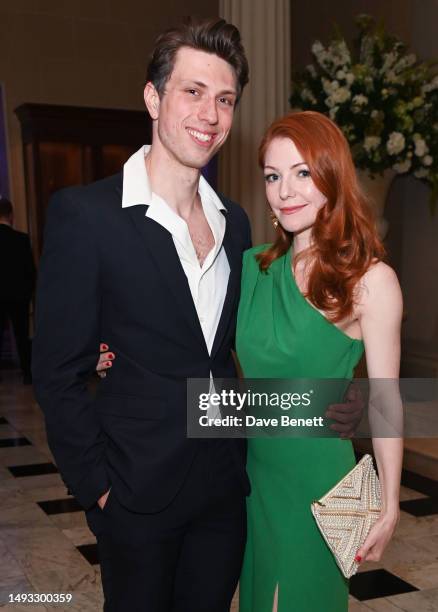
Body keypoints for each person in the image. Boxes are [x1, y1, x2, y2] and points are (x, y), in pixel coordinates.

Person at [34, 17, 362, 612]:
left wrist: (345, 407)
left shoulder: (238, 223)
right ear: (153, 97)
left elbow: (261, 349)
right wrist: (99, 489)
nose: (209, 114)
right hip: (134, 494)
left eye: (225, 99)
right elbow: (56, 370)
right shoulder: (88, 216)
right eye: (192, 92)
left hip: (225, 490)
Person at [236, 111, 403, 612]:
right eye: (272, 175)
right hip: (254, 477)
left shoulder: (371, 281)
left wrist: (390, 504)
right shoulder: (253, 267)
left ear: (332, 176)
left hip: (321, 483)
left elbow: (386, 398)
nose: (285, 190)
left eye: (302, 173)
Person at [0, 197, 35, 384]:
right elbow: (30, 270)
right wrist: (28, 293)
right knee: (22, 336)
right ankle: (27, 373)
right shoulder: (21, 239)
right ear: (11, 215)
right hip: (18, 296)